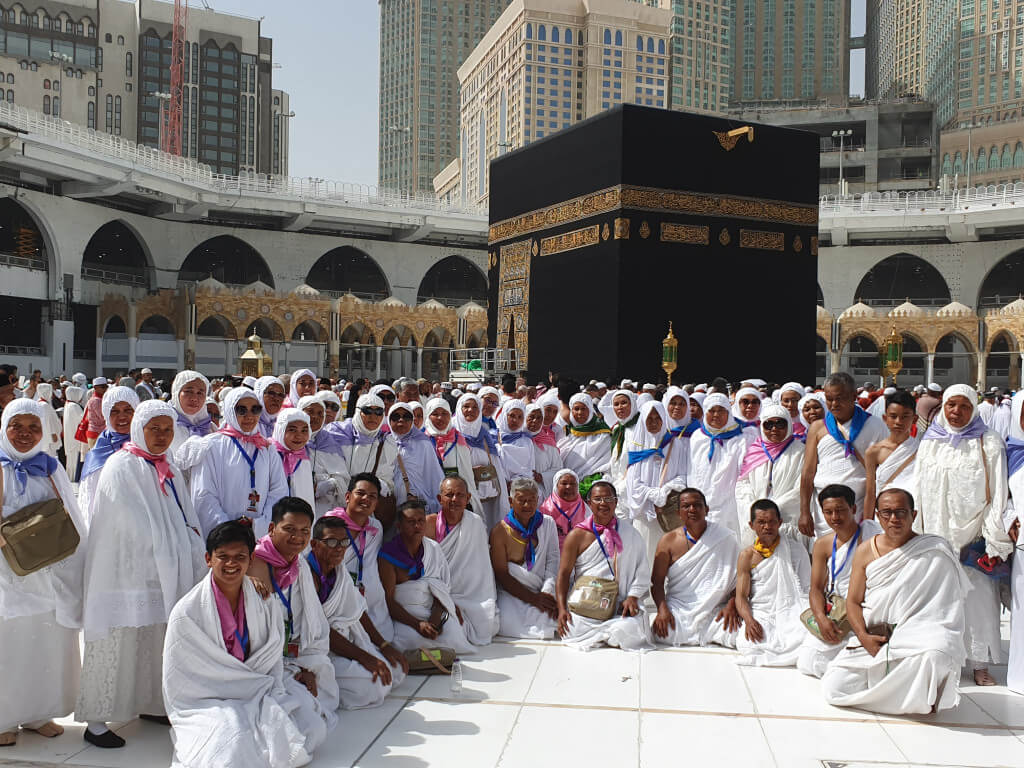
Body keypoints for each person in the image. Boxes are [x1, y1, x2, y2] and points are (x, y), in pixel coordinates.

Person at [76, 400, 206, 747]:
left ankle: (150, 701)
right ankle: (97, 719)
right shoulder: (122, 465)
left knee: (156, 639)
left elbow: (186, 514)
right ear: (139, 429)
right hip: (126, 576)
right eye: (155, 429)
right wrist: (176, 544)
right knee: (118, 642)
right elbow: (129, 524)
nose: (163, 436)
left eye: (168, 430)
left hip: (161, 572)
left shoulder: (168, 466)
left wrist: (192, 543)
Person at [162, 521, 324, 767]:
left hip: (258, 688)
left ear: (250, 560)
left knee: (312, 726)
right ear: (208, 558)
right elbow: (183, 680)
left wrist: (273, 687)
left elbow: (271, 653)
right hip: (210, 699)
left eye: (240, 557)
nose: (231, 564)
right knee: (231, 742)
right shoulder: (187, 612)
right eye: (223, 557)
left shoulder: (264, 599)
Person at [822, 488, 969, 714]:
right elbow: (852, 602)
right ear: (878, 516)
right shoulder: (865, 551)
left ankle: (906, 694)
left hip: (920, 635)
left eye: (901, 512)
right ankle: (906, 696)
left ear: (914, 515)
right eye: (887, 513)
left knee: (935, 656)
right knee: (835, 687)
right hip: (876, 636)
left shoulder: (935, 549)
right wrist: (863, 636)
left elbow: (946, 608)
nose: (894, 519)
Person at [0, 400, 87, 747]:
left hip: (48, 569)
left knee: (44, 641)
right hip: (8, 573)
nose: (25, 434)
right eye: (16, 426)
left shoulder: (51, 467)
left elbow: (72, 513)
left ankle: (38, 711)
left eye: (33, 427)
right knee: (10, 644)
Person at [914, 384, 1012, 686]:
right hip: (937, 534)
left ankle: (979, 662)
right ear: (943, 406)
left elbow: (997, 491)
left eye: (964, 406)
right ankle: (947, 658)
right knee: (942, 601)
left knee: (978, 602)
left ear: (974, 408)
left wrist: (993, 533)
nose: (956, 412)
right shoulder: (931, 441)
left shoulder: (989, 441)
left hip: (975, 537)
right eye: (951, 405)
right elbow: (919, 487)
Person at [248, 497, 340, 732]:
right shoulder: (254, 566)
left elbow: (313, 620)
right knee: (310, 726)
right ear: (272, 528)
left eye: (304, 531)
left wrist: (304, 667)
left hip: (297, 656)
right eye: (289, 529)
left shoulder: (298, 564)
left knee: (330, 697)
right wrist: (294, 670)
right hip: (267, 665)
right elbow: (254, 639)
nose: (297, 538)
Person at [306, 515, 408, 709]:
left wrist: (384, 645)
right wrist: (364, 657)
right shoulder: (305, 575)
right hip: (319, 649)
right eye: (332, 542)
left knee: (395, 671)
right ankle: (325, 686)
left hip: (346, 639)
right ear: (315, 544)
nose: (339, 548)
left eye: (344, 542)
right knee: (374, 686)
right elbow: (320, 630)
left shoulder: (339, 570)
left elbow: (358, 611)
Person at [797, 484, 882, 678]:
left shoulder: (874, 537)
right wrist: (821, 619)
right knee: (807, 662)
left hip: (868, 609)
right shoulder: (823, 545)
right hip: (838, 612)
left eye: (841, 510)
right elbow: (816, 588)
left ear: (853, 509)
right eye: (828, 512)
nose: (835, 517)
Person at [555, 480, 652, 651]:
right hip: (587, 604)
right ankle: (608, 635)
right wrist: (562, 609)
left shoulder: (630, 533)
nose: (603, 504)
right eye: (598, 499)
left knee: (630, 628)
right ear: (589, 502)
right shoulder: (577, 535)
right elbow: (563, 575)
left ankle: (609, 632)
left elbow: (642, 570)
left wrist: (632, 597)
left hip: (620, 604)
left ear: (616, 502)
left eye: (608, 499)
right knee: (571, 628)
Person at [379, 499, 474, 654]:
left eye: (421, 521)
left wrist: (435, 618)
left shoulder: (432, 548)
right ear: (399, 526)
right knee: (412, 640)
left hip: (430, 610)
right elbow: (387, 600)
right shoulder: (387, 555)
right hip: (404, 615)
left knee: (453, 633)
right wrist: (418, 624)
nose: (417, 526)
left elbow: (441, 588)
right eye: (411, 522)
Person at [799, 372, 888, 538]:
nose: (834, 404)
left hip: (859, 505)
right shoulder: (818, 428)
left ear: (854, 396)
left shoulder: (875, 426)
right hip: (823, 508)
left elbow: (883, 470)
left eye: (840, 398)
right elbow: (808, 472)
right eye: (829, 398)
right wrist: (804, 512)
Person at [191, 387, 288, 539]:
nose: (249, 416)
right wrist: (229, 529)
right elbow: (204, 494)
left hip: (259, 535)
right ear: (230, 410)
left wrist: (259, 525)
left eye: (255, 409)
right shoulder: (212, 445)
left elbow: (279, 491)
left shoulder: (267, 448)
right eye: (241, 410)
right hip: (223, 535)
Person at [651, 488, 741, 647]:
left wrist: (731, 605)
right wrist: (662, 610)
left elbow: (738, 580)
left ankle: (713, 632)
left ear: (706, 510)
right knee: (663, 633)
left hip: (715, 609)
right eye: (686, 506)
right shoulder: (668, 541)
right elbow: (656, 582)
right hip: (680, 609)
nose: (692, 509)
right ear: (679, 512)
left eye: (697, 505)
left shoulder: (726, 538)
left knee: (738, 635)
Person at [731, 499, 810, 667]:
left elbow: (806, 588)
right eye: (761, 522)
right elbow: (741, 596)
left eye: (772, 522)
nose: (767, 527)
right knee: (747, 642)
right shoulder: (747, 555)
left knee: (806, 635)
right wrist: (749, 620)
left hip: (791, 608)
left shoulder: (796, 549)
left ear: (780, 523)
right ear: (751, 525)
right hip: (762, 610)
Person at [425, 475, 499, 645]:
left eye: (460, 495)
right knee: (446, 630)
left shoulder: (475, 523)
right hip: (436, 593)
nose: (455, 499)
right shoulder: (428, 524)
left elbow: (481, 571)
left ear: (468, 498)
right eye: (449, 495)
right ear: (439, 498)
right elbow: (423, 570)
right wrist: (444, 601)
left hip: (469, 595)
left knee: (487, 626)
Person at [490, 477, 560, 639]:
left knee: (559, 613)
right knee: (503, 622)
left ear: (538, 500)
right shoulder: (500, 531)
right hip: (512, 592)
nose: (527, 505)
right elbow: (501, 574)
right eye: (521, 500)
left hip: (542, 587)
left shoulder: (548, 523)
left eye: (532, 500)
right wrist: (534, 600)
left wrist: (547, 592)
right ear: (510, 501)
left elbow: (553, 560)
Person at [330, 473, 394, 643]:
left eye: (372, 496)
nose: (366, 499)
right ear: (348, 496)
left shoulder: (376, 527)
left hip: (374, 608)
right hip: (339, 604)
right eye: (361, 493)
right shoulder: (329, 526)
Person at [626, 400, 689, 566]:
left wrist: (665, 491)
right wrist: (654, 496)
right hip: (645, 514)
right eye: (649, 418)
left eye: (657, 418)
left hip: (668, 511)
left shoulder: (676, 445)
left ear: (664, 419)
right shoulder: (637, 447)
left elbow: (684, 476)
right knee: (646, 557)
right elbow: (633, 484)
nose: (653, 422)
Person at [327, 394, 399, 532]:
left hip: (365, 510)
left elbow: (387, 480)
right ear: (358, 411)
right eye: (367, 411)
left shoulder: (386, 442)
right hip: (333, 504)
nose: (373, 416)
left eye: (378, 412)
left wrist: (372, 487)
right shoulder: (335, 433)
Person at [735, 404, 804, 547]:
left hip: (786, 519)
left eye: (780, 423)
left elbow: (802, 488)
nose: (774, 429)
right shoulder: (755, 450)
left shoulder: (801, 451)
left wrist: (773, 509)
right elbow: (743, 483)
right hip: (757, 519)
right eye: (769, 424)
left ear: (789, 425)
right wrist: (754, 508)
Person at [78, 385, 140, 526]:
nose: (122, 416)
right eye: (114, 411)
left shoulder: (147, 445)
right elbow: (90, 501)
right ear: (106, 414)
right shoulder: (98, 453)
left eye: (128, 410)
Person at [688, 393, 748, 538]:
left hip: (729, 506)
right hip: (701, 504)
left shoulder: (740, 439)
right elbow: (691, 470)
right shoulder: (697, 437)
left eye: (721, 410)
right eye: (711, 410)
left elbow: (742, 474)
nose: (716, 415)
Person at [456, 392, 508, 530]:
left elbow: (495, 462)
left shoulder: (484, 434)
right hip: (459, 493)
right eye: (466, 406)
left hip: (484, 494)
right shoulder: (452, 433)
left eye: (475, 407)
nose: (470, 410)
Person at [863, 389, 918, 518]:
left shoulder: (922, 449)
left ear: (914, 419)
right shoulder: (874, 452)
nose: (898, 421)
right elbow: (870, 493)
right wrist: (867, 525)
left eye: (905, 416)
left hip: (912, 514)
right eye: (893, 416)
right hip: (884, 515)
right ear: (884, 418)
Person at [390, 401, 444, 514]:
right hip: (390, 506)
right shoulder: (384, 443)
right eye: (395, 417)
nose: (401, 420)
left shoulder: (423, 443)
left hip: (417, 503)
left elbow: (434, 477)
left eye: (406, 417)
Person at [299, 395, 348, 519]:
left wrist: (330, 483)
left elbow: (343, 478)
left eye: (320, 413)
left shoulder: (330, 442)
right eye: (310, 412)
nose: (315, 417)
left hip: (325, 512)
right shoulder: (290, 441)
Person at [557, 392, 612, 498]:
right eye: (576, 409)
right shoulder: (565, 432)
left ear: (590, 410)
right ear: (571, 410)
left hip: (590, 488)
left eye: (583, 409)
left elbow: (604, 464)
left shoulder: (603, 434)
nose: (580, 413)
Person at [599, 388, 640, 514]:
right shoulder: (618, 428)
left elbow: (639, 459)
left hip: (633, 486)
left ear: (632, 404)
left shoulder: (640, 427)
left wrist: (623, 483)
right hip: (617, 486)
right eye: (616, 404)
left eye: (624, 403)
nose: (620, 407)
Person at [169, 370, 214, 483]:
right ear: (177, 392)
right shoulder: (167, 426)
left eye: (200, 393)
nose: (194, 398)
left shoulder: (210, 428)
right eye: (188, 391)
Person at [272, 409, 314, 510]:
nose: (299, 436)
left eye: (304, 430)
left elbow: (306, 496)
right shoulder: (269, 455)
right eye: (292, 430)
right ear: (280, 429)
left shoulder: (303, 458)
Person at [539, 468, 590, 550]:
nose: (568, 487)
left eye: (573, 484)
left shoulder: (584, 508)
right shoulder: (546, 509)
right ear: (556, 485)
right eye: (564, 483)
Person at [528, 399, 563, 497]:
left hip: (541, 493)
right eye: (531, 417)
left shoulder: (549, 443)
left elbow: (558, 468)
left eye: (539, 418)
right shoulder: (516, 440)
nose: (535, 421)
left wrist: (542, 477)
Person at [497, 399, 536, 484]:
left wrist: (516, 483)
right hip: (499, 487)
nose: (515, 420)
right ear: (504, 415)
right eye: (512, 416)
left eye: (520, 417)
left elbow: (530, 469)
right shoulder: (493, 438)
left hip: (520, 489)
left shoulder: (527, 441)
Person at [61, 384, 87, 480]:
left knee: (71, 461)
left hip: (70, 437)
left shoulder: (68, 404)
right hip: (75, 439)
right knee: (75, 460)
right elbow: (82, 420)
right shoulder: (74, 406)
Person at [32, 382, 62, 458]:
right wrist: (53, 433)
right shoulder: (44, 405)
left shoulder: (41, 403)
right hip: (48, 438)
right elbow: (47, 422)